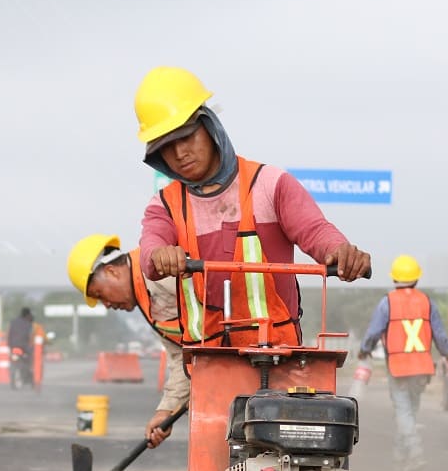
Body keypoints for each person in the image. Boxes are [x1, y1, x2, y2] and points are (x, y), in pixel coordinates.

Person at [134, 66, 371, 348]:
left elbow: (315, 230)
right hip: (209, 368)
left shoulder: (269, 184)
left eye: (186, 137)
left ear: (209, 125)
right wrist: (160, 255)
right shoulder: (165, 205)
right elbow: (150, 250)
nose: (179, 153)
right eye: (166, 146)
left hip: (279, 359)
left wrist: (339, 251)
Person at [67, 234, 187, 447]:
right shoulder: (147, 300)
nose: (106, 305)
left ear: (112, 271)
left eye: (100, 293)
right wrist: (164, 411)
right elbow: (182, 357)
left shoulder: (159, 272)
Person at [358, 255, 448, 471]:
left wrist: (365, 350)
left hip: (399, 367)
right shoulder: (427, 302)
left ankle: (415, 453)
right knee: (409, 410)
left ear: (395, 279)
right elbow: (440, 336)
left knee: (404, 411)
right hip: (422, 368)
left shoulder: (387, 302)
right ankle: (400, 455)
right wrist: (447, 354)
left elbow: (373, 332)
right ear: (416, 279)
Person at [5, 307, 43, 388]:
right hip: (24, 347)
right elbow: (30, 336)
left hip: (13, 346)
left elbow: (9, 335)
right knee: (30, 361)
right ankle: (30, 376)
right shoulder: (28, 323)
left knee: (13, 361)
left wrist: (9, 346)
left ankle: (24, 375)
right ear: (28, 315)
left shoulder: (13, 322)